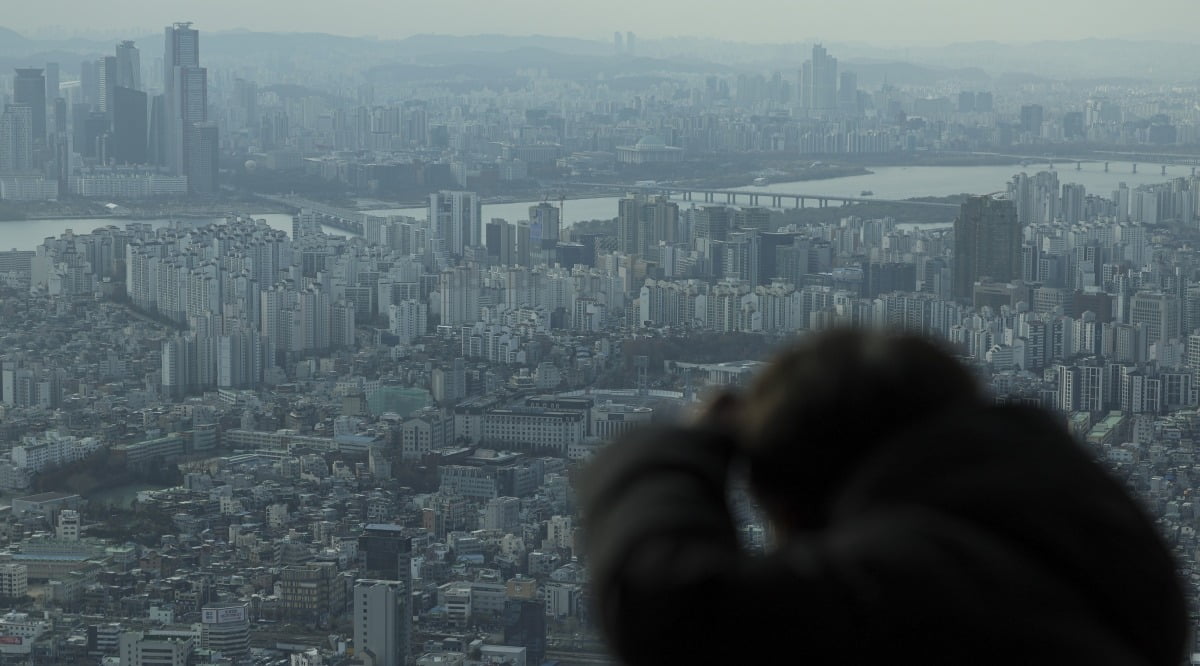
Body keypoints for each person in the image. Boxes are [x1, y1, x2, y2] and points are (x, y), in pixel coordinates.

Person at [580, 329, 1186, 666]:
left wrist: (689, 443)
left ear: (800, 497)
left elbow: (665, 611)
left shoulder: (928, 578)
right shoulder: (1104, 543)